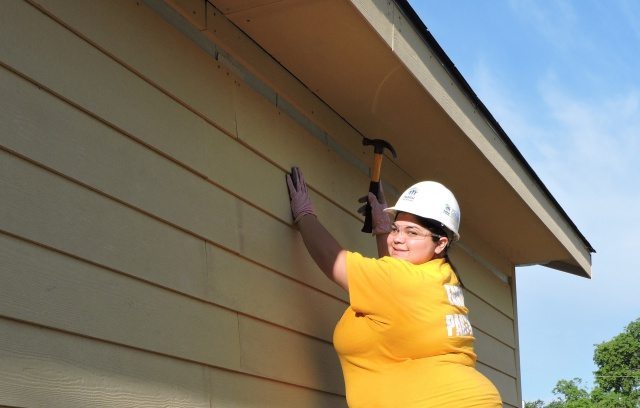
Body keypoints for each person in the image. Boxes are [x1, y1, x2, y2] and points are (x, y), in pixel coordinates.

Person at [285, 167, 502, 407]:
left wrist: (305, 216)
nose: (398, 238)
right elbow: (393, 293)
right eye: (396, 229)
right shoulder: (441, 275)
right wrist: (382, 232)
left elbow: (332, 259)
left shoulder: (404, 280)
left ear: (440, 243)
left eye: (412, 232)